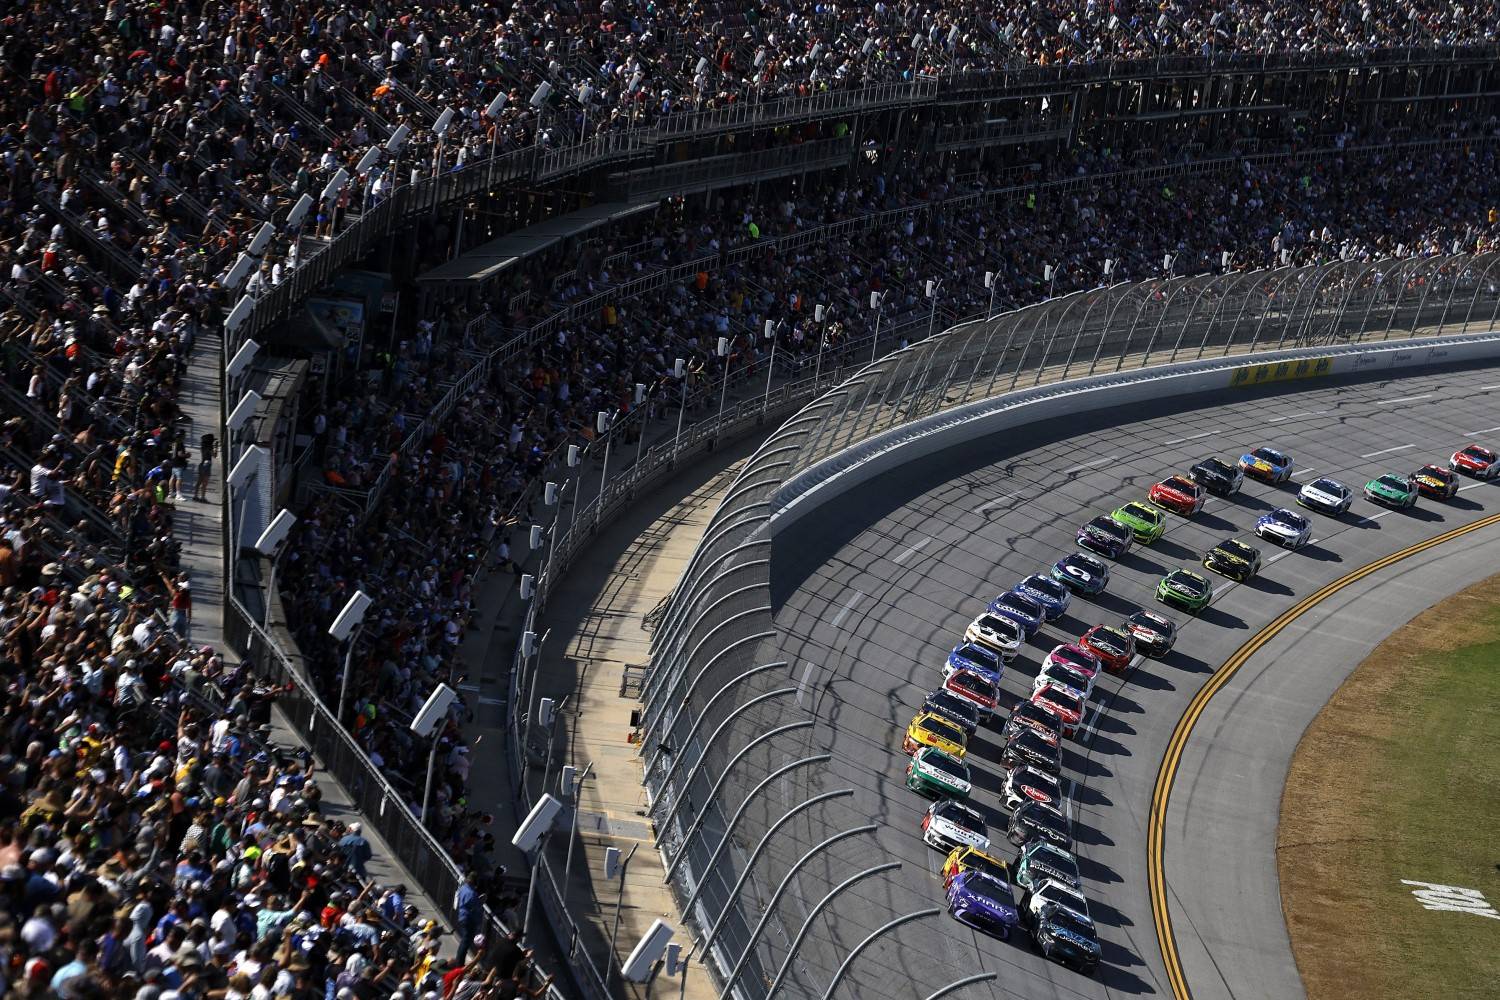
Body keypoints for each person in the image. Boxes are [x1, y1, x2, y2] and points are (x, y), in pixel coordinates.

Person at [195, 432, 217, 501]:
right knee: (205, 482)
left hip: (202, 464)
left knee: (199, 481)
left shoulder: (203, 447)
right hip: (207, 465)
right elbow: (214, 455)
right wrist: (215, 447)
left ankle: (195, 496)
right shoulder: (209, 447)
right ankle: (203, 497)